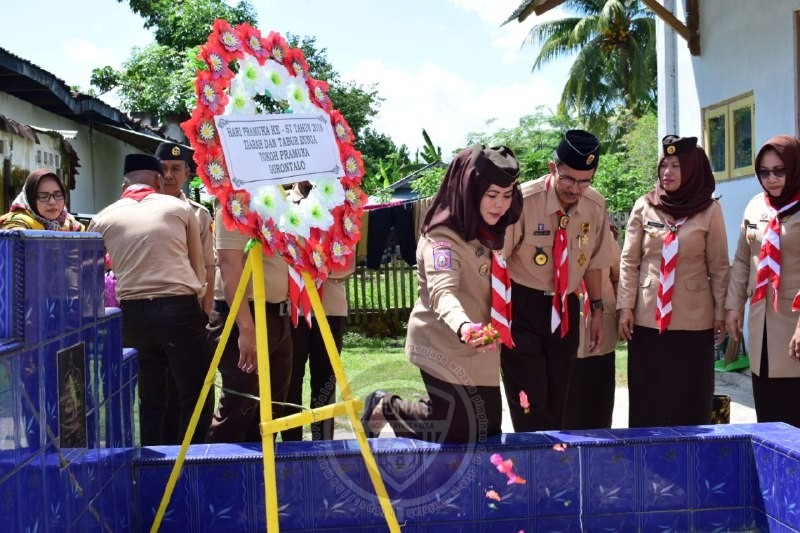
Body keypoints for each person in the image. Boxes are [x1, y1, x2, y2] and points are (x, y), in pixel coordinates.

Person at [361, 145, 522, 443]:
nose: (500, 205)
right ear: (469, 191)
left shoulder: (491, 230)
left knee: (485, 430)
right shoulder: (442, 238)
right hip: (444, 340)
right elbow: (442, 292)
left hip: (481, 344)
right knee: (461, 429)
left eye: (507, 195)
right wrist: (463, 326)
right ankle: (386, 406)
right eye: (491, 195)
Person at [87, 154, 213, 445]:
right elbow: (198, 266)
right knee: (195, 395)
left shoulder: (102, 218)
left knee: (150, 398)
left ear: (124, 185)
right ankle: (191, 465)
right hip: (180, 308)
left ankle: (152, 468)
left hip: (133, 316)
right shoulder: (180, 208)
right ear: (158, 180)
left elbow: (91, 281)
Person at [502, 129, 613, 432]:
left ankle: (551, 469)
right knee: (529, 402)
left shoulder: (595, 205)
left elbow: (593, 263)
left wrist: (598, 310)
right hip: (522, 308)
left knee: (559, 400)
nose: (576, 188)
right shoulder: (524, 199)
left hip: (566, 308)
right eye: (568, 179)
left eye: (584, 181)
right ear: (553, 168)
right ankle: (534, 467)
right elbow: (499, 260)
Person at [618, 135, 729, 428]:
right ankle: (646, 467)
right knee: (647, 399)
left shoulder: (710, 210)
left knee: (690, 399)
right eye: (663, 165)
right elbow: (629, 261)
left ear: (692, 169)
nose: (667, 172)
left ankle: (691, 466)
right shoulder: (645, 206)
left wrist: (721, 313)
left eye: (676, 165)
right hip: (646, 320)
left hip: (695, 322)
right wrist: (625, 307)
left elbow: (718, 266)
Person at [726, 135, 800, 427]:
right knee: (769, 413)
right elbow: (743, 260)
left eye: (779, 170)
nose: (771, 179)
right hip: (763, 325)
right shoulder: (757, 206)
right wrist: (733, 306)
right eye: (764, 172)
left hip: (794, 327)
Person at [205, 199, 293, 443]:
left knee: (271, 410)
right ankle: (217, 476)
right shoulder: (235, 202)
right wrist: (246, 328)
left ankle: (259, 479)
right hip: (246, 317)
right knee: (237, 410)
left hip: (276, 316)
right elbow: (230, 265)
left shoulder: (274, 200)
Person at [282, 182, 354, 442]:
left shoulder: (340, 203)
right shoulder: (281, 202)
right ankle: (291, 443)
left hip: (329, 307)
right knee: (291, 377)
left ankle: (323, 444)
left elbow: (347, 261)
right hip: (293, 306)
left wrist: (314, 269)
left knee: (325, 378)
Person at [155, 141, 215, 444]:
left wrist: (204, 311)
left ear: (187, 173)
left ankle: (193, 453)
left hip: (189, 314)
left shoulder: (199, 214)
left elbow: (209, 265)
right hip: (151, 316)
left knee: (192, 390)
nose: (168, 175)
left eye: (175, 169)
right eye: (163, 169)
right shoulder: (143, 212)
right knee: (159, 392)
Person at [563, 223, 621, 430]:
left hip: (600, 332)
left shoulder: (603, 236)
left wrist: (621, 312)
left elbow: (618, 276)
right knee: (566, 405)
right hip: (563, 331)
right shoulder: (553, 232)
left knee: (598, 405)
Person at [0, 169, 84, 231]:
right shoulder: (16, 224)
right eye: (43, 196)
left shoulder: (71, 225)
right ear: (30, 199)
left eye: (58, 194)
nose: (52, 202)